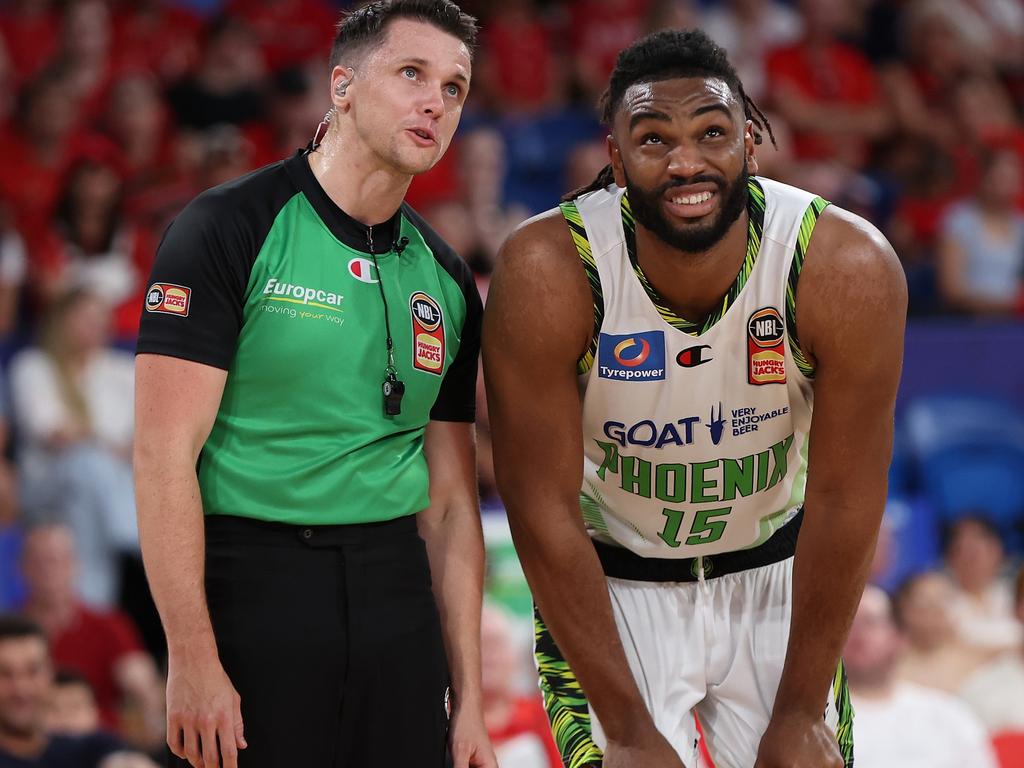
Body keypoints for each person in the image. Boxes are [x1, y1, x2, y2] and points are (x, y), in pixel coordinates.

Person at [483, 28, 907, 768]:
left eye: (711, 133)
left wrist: (803, 710)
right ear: (615, 159)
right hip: (615, 586)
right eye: (653, 139)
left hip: (777, 579)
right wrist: (626, 727)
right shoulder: (549, 269)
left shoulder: (843, 264)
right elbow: (540, 507)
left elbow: (845, 498)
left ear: (750, 139)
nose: (686, 163)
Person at [133, 3, 495, 768]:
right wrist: (191, 656)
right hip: (255, 584)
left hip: (396, 600)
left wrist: (469, 703)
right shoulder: (227, 227)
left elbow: (456, 508)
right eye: (412, 74)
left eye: (455, 88)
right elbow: (163, 454)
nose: (436, 101)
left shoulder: (450, 281)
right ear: (341, 85)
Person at [18, 525, 165, 748]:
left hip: (97, 743)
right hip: (27, 745)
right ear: (23, 568)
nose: (47, 570)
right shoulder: (11, 631)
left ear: (75, 565)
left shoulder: (109, 625)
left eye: (56, 560)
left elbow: (143, 686)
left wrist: (151, 732)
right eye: (38, 561)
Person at [844, 586, 998, 768]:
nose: (857, 633)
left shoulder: (948, 715)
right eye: (847, 624)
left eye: (870, 622)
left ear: (900, 638)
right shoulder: (820, 723)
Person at [0, 614, 157, 768]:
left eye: (33, 671)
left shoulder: (90, 746)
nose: (21, 688)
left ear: (50, 673)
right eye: (5, 673)